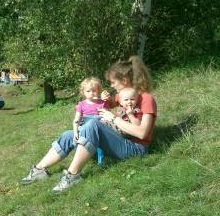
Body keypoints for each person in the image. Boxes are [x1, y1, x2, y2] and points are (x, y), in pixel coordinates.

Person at [20, 55, 157, 194]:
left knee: (94, 124)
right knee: (70, 134)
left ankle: (72, 175)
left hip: (136, 149)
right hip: (121, 140)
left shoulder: (146, 98)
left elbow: (142, 133)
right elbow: (106, 104)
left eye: (113, 82)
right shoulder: (122, 95)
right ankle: (39, 170)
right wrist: (104, 99)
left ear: (125, 80)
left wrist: (113, 118)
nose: (111, 85)